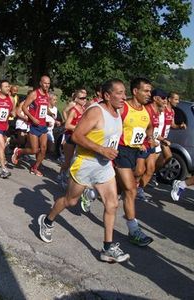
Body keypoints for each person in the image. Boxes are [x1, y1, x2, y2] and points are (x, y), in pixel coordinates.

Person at [38, 79, 130, 263]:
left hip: (104, 166)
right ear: (106, 95)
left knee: (112, 204)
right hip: (86, 163)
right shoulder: (96, 111)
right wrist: (102, 149)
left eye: (124, 92)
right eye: (118, 93)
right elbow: (77, 136)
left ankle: (107, 247)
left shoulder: (118, 111)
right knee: (70, 201)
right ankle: (47, 221)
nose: (123, 96)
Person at [114, 77, 154, 247]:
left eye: (150, 91)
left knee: (121, 186)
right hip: (120, 150)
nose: (149, 94)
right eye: (146, 91)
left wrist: (150, 138)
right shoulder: (123, 108)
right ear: (135, 91)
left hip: (135, 151)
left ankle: (92, 192)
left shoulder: (146, 111)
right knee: (130, 190)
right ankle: (134, 230)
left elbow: (149, 127)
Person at [12, 75, 51, 176]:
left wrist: (50, 115)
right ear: (40, 83)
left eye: (48, 83)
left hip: (43, 125)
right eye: (45, 83)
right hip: (33, 125)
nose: (47, 85)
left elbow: (44, 108)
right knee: (34, 150)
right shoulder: (34, 94)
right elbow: (25, 107)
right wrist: (32, 118)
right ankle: (19, 152)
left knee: (43, 148)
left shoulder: (47, 95)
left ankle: (35, 167)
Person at [57, 89, 87, 188]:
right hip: (70, 137)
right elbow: (67, 125)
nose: (84, 100)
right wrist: (78, 128)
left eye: (85, 97)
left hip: (79, 138)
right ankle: (62, 175)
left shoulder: (84, 110)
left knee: (77, 161)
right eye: (82, 98)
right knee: (68, 161)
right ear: (76, 99)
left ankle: (69, 178)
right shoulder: (74, 110)